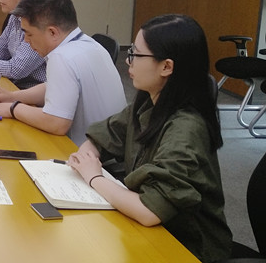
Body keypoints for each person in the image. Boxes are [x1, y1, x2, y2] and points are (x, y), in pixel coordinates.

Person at [68, 14, 231, 263]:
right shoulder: (150, 100)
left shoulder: (186, 129)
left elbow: (149, 211)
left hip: (187, 246)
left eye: (136, 54)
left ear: (166, 67)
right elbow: (104, 136)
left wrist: (94, 177)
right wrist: (87, 156)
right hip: (149, 228)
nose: (128, 60)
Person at [0, 0, 126, 144]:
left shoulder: (62, 57)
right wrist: (13, 96)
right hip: (111, 147)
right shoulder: (91, 45)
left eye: (29, 34)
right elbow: (55, 87)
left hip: (87, 152)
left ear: (52, 32)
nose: (26, 40)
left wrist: (12, 108)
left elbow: (56, 123)